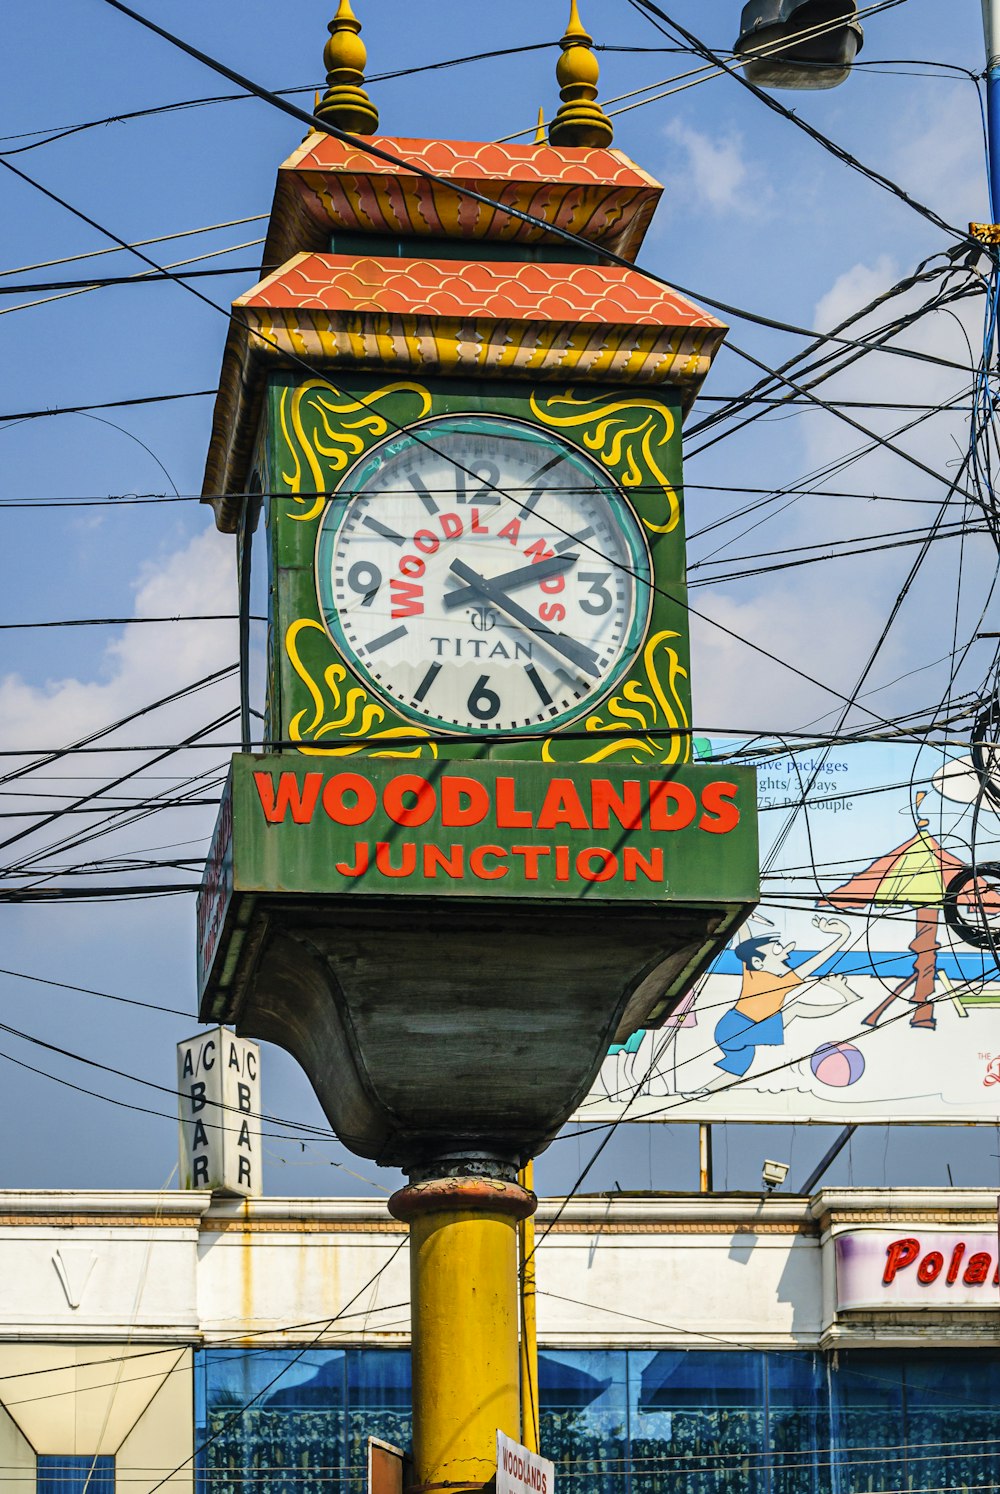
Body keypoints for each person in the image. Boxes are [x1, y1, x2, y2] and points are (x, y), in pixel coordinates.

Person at [713, 915, 852, 1077]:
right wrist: (844, 936)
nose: (787, 954)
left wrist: (743, 917)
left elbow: (745, 940)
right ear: (758, 962)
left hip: (730, 1026)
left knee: (739, 1066)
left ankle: (705, 1092)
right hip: (738, 1028)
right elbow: (816, 962)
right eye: (777, 951)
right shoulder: (779, 983)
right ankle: (849, 1001)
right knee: (796, 1009)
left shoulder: (752, 971)